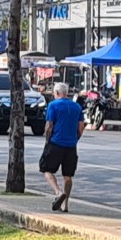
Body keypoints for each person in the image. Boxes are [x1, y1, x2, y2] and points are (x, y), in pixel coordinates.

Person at [40, 81, 84, 212]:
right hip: (71, 145)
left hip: (56, 143)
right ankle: (65, 204)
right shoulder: (77, 107)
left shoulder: (53, 105)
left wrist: (47, 139)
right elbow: (81, 127)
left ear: (57, 93)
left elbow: (49, 125)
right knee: (68, 176)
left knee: (46, 169)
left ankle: (58, 192)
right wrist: (75, 139)